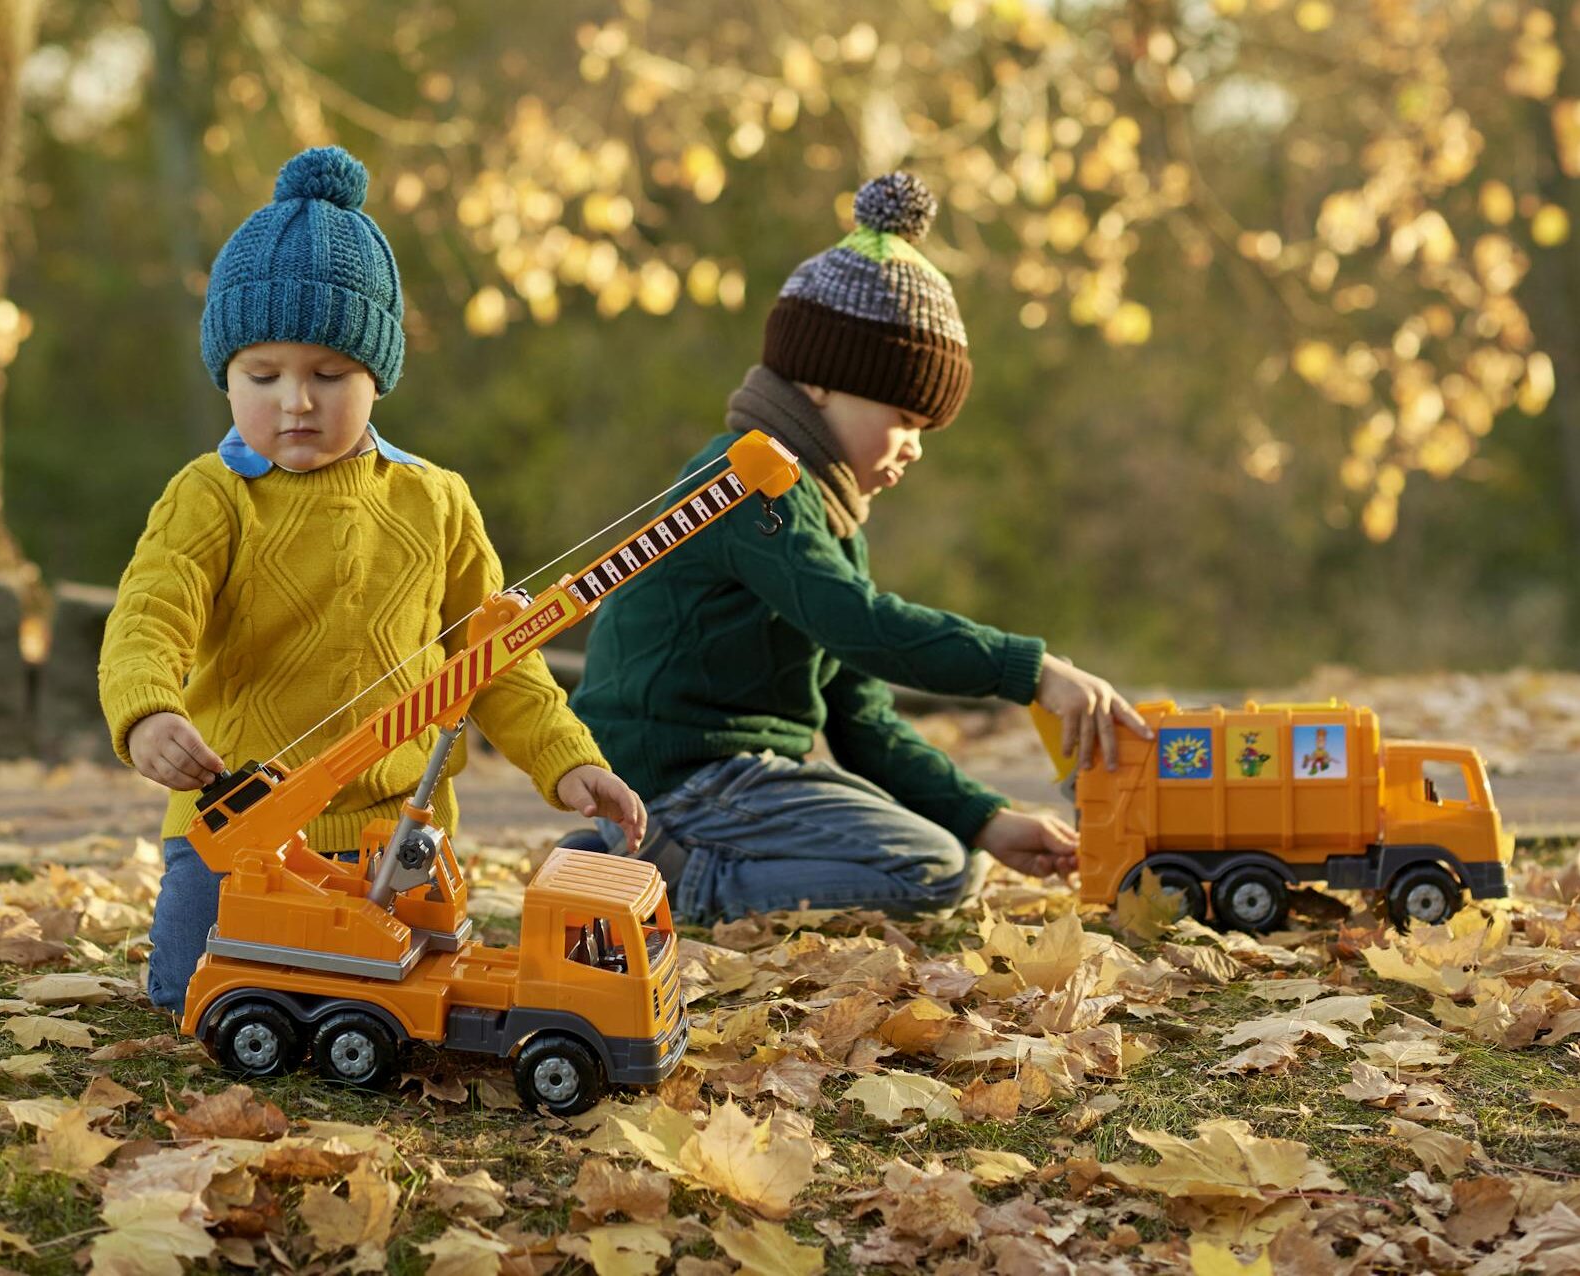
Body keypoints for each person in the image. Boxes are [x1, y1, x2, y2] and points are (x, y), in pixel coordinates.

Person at [99, 147, 645, 1013]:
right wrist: (148, 710)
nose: (295, 403)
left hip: (398, 835)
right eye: (262, 374)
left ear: (377, 373)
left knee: (419, 1004)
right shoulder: (211, 495)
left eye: (329, 374)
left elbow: (500, 658)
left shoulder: (435, 501)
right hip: (238, 837)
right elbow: (147, 617)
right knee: (192, 999)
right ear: (226, 374)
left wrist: (566, 763)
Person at [570, 171, 1147, 923]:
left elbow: (861, 719)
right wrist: (1030, 671)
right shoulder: (749, 483)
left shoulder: (822, 511)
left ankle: (641, 865)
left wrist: (984, 819)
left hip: (740, 778)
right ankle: (666, 882)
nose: (912, 447)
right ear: (819, 384)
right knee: (932, 869)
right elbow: (863, 628)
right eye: (904, 417)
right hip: (683, 777)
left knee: (952, 847)